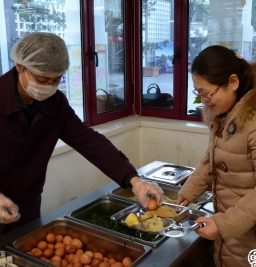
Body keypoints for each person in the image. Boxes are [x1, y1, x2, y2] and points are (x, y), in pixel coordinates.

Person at [0, 32, 164, 235]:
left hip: (26, 206)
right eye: (42, 79)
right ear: (20, 67)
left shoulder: (56, 103)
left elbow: (89, 142)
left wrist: (134, 180)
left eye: (56, 80)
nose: (48, 86)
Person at [177, 45, 256, 267]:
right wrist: (189, 191)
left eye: (207, 93)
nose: (204, 100)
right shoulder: (225, 114)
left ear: (233, 82)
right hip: (235, 228)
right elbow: (212, 158)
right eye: (198, 93)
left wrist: (223, 224)